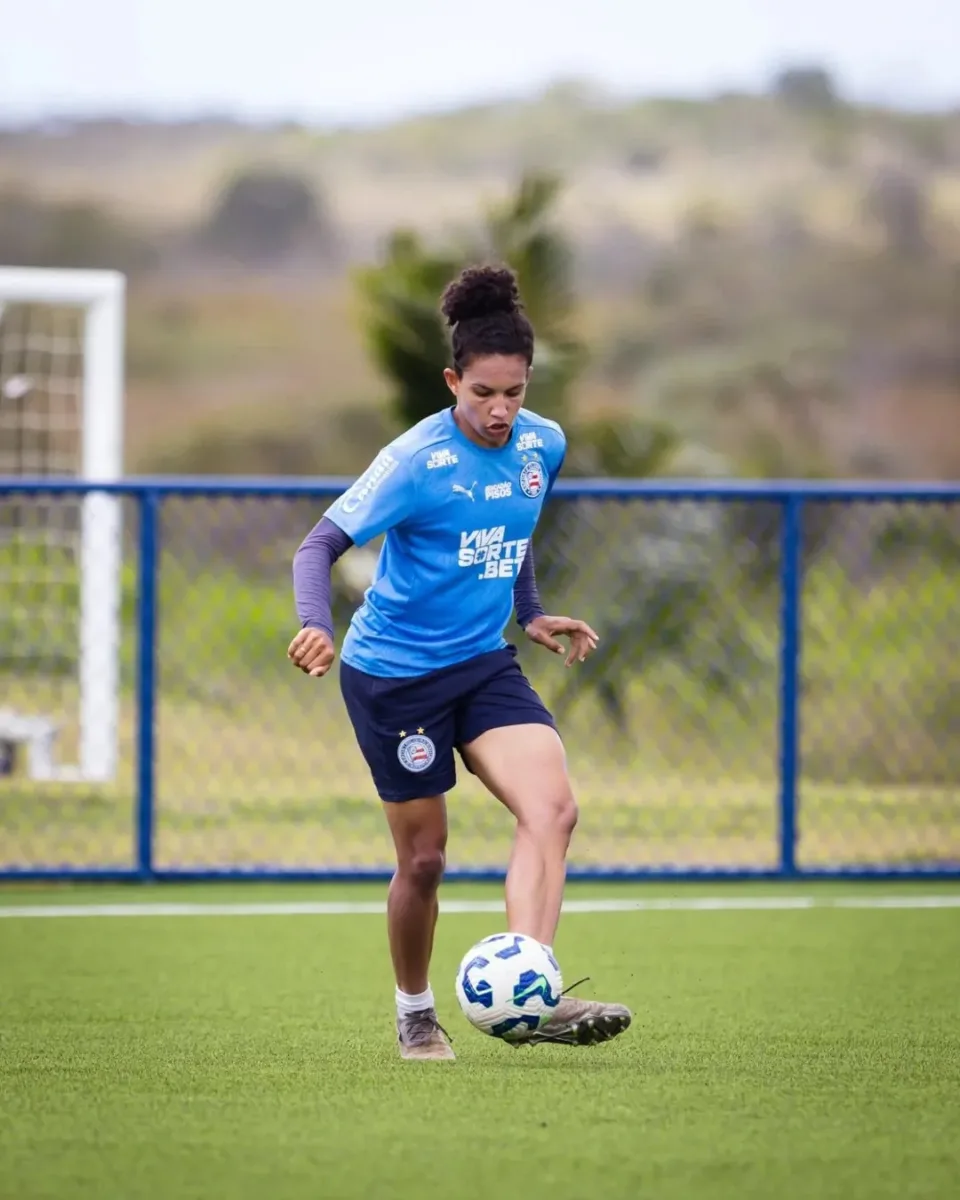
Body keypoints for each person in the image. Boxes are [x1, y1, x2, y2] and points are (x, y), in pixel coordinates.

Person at [288, 264, 631, 1061]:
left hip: (483, 664)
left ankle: (533, 994)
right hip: (394, 675)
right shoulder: (415, 460)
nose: (500, 410)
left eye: (513, 392)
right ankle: (415, 1010)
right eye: (483, 393)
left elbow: (510, 536)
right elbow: (320, 544)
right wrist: (314, 624)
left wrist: (531, 612)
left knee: (553, 811)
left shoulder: (542, 443)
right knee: (426, 858)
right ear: (454, 381)